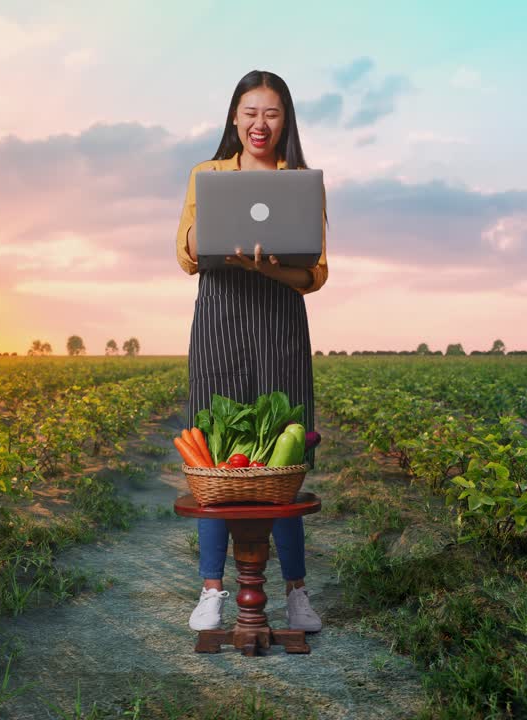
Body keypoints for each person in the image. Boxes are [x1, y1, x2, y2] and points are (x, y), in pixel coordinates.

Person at [174, 69, 328, 634]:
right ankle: (212, 589)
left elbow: (315, 272)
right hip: (219, 314)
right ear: (234, 118)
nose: (260, 124)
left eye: (272, 113)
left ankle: (296, 593)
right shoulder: (206, 175)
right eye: (250, 112)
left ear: (285, 121)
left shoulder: (301, 182)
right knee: (213, 456)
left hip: (280, 317)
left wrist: (268, 267)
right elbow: (186, 253)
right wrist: (211, 237)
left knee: (285, 457)